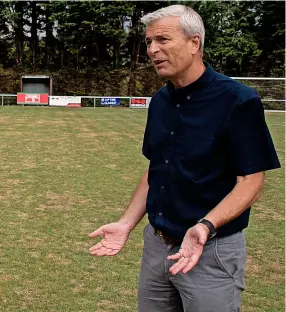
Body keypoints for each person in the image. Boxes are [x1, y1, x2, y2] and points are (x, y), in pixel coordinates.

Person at [89, 5, 280, 312]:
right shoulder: (161, 101)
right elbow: (156, 171)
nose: (153, 50)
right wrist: (126, 223)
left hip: (210, 250)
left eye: (163, 39)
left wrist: (205, 225)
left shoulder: (238, 101)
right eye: (149, 42)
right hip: (157, 246)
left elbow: (252, 182)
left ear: (194, 43)